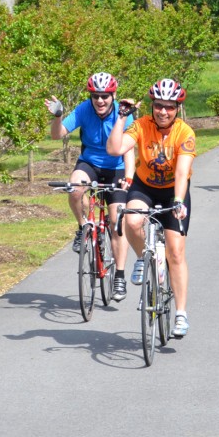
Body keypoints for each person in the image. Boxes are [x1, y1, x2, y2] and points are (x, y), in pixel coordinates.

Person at [106, 78, 196, 338]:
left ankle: (180, 313)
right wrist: (121, 116)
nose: (163, 112)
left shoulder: (185, 133)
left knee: (176, 253)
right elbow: (115, 148)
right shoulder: (141, 125)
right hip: (144, 187)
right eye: (158, 106)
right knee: (131, 221)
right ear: (152, 106)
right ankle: (143, 256)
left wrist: (179, 201)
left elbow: (182, 173)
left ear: (177, 108)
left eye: (169, 106)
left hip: (172, 192)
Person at [44, 72, 134, 303]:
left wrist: (130, 177)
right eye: (96, 96)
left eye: (105, 96)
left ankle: (120, 277)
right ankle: (83, 227)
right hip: (90, 162)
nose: (100, 100)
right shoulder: (84, 109)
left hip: (117, 166)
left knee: (117, 222)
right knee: (75, 188)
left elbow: (130, 149)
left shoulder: (123, 113)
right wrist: (57, 116)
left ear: (113, 95)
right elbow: (57, 135)